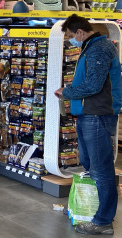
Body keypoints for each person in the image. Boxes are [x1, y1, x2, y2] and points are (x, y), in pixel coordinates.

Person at [54, 14, 120, 236]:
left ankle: (103, 221)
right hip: (88, 114)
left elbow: (93, 85)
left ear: (80, 32)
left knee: (101, 169)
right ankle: (92, 209)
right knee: (89, 162)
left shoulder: (99, 49)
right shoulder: (91, 47)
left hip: (98, 115)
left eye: (72, 36)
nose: (72, 40)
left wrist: (67, 92)